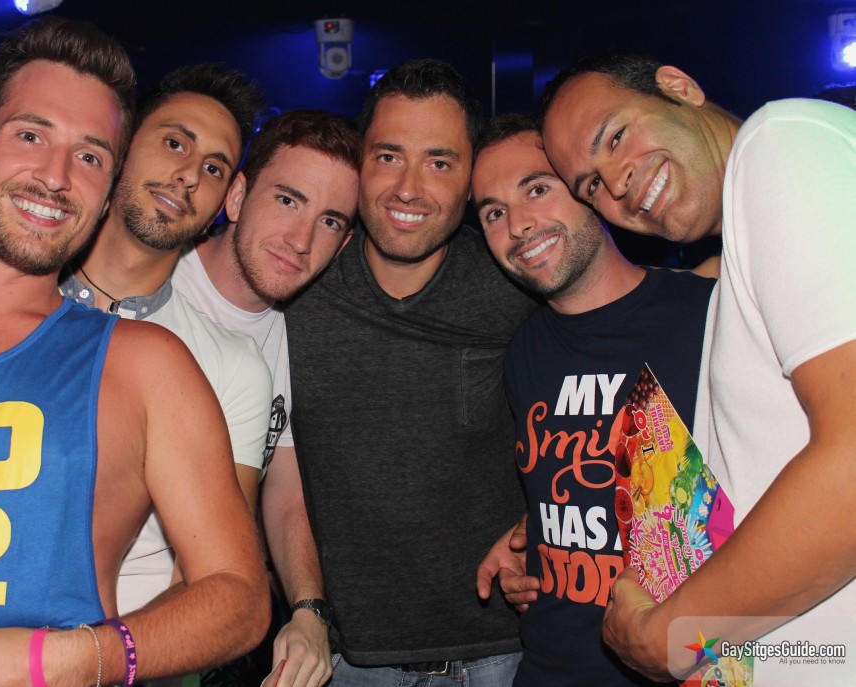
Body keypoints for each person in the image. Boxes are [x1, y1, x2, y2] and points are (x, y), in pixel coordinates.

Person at [0, 17, 268, 686]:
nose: (55, 177)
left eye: (90, 156)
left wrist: (62, 660)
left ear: (109, 188)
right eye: (31, 135)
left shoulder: (147, 366)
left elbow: (238, 596)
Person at [539, 51, 856, 682]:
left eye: (615, 137)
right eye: (590, 186)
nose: (615, 185)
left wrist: (673, 637)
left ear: (679, 88)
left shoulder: (779, 141)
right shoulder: (731, 269)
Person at [284, 59, 536, 686]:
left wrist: (552, 515)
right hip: (350, 662)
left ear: (471, 179)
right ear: (360, 162)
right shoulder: (297, 284)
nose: (409, 188)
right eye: (389, 156)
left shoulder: (518, 283)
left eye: (440, 162)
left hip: (506, 655)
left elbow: (616, 361)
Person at [471, 114, 714, 686]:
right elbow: (575, 490)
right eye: (493, 213)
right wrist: (534, 538)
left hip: (690, 666)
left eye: (536, 189)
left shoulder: (709, 316)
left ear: (590, 189)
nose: (518, 225)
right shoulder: (523, 353)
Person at [60, 62, 272, 620]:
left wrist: (99, 656)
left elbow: (216, 582)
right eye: (174, 143)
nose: (188, 175)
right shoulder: (8, 304)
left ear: (227, 200)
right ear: (123, 145)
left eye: (213, 168)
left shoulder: (231, 365)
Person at [168, 108, 361, 687]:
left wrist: (309, 611)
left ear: (344, 244)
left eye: (329, 221)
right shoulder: (152, 288)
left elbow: (285, 490)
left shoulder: (298, 333)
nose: (301, 241)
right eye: (287, 200)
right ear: (236, 196)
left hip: (204, 633)